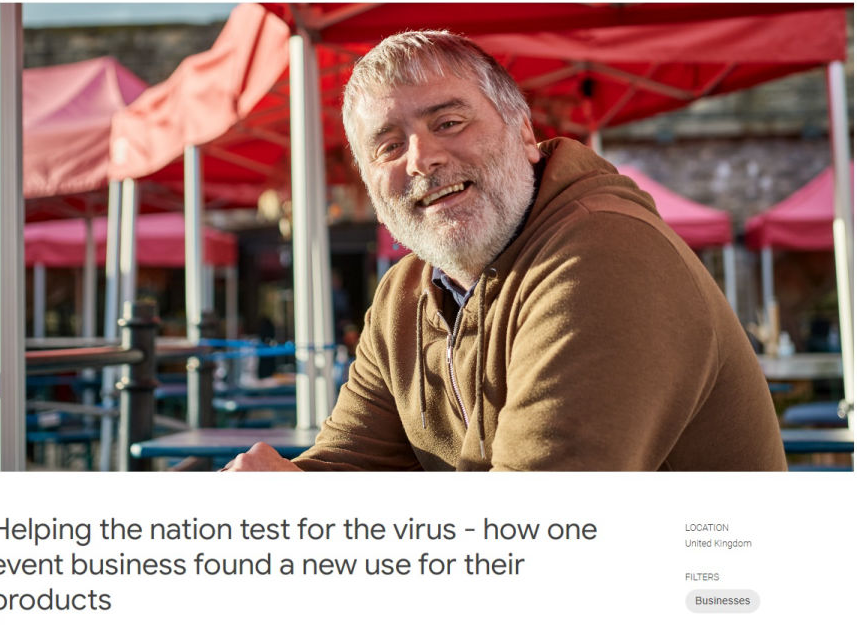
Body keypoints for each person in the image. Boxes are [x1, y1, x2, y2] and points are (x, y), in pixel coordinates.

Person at [225, 30, 786, 472]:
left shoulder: (601, 254)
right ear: (370, 183)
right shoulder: (404, 293)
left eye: (448, 121)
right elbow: (352, 463)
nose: (421, 160)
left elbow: (536, 528)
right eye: (388, 146)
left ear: (523, 131)